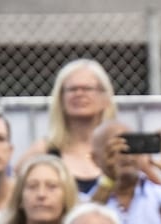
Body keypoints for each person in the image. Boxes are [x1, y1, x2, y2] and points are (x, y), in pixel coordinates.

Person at [22, 59, 119, 194]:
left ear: (105, 98)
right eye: (72, 89)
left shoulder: (119, 149)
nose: (79, 94)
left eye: (87, 88)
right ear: (60, 99)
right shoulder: (43, 151)